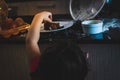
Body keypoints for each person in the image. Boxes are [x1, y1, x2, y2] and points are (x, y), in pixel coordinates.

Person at [26, 11, 88, 80]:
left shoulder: (38, 73)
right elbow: (31, 42)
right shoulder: (38, 73)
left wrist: (39, 16)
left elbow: (31, 41)